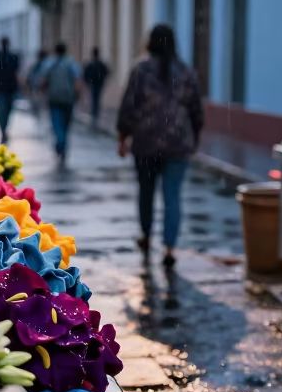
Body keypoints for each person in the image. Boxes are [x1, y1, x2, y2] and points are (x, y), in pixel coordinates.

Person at [116, 23, 204, 268]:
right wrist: (194, 137)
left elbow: (128, 107)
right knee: (173, 196)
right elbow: (196, 109)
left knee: (146, 192)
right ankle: (169, 248)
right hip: (178, 144)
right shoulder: (185, 72)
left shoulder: (141, 70)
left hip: (146, 143)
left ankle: (146, 235)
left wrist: (123, 138)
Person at [43, 41, 82, 163]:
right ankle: (63, 144)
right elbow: (77, 80)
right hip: (68, 98)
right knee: (66, 124)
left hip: (54, 98)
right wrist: (77, 93)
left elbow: (43, 79)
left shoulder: (50, 63)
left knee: (56, 123)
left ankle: (60, 142)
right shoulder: (71, 63)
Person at [0, 37, 21, 144]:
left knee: (2, 111)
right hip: (8, 88)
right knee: (6, 111)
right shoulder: (12, 57)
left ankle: (3, 130)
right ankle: (4, 130)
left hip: (1, 88)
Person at [83, 47, 110, 127]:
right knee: (96, 98)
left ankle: (94, 113)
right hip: (98, 84)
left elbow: (86, 74)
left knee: (94, 98)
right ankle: (95, 113)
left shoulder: (92, 64)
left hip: (94, 84)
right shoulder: (99, 64)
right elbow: (106, 72)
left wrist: (88, 81)